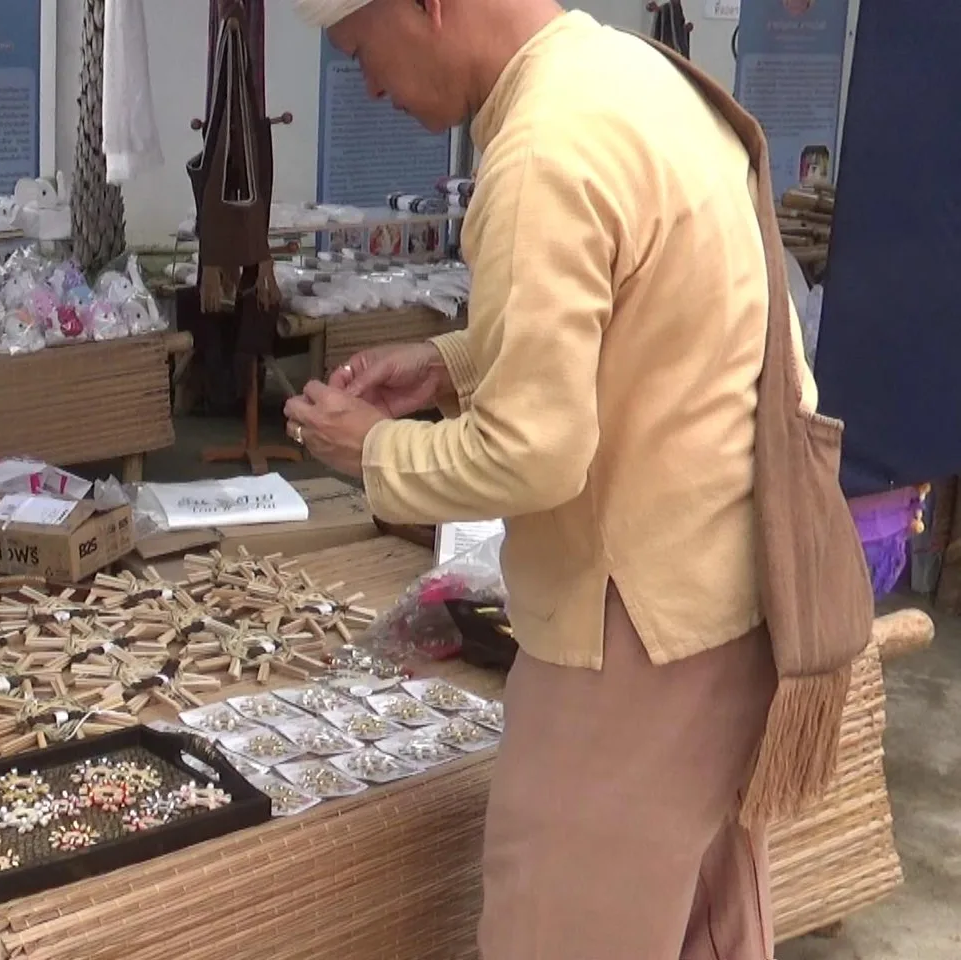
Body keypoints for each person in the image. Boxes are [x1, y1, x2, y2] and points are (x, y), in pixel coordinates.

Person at [284, 1, 867, 958]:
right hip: (733, 600)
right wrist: (453, 364)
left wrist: (373, 452)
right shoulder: (635, 77)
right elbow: (651, 326)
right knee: (704, 925)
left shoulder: (543, 147)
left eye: (361, 50)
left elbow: (533, 455)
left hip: (635, 637)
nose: (372, 87)